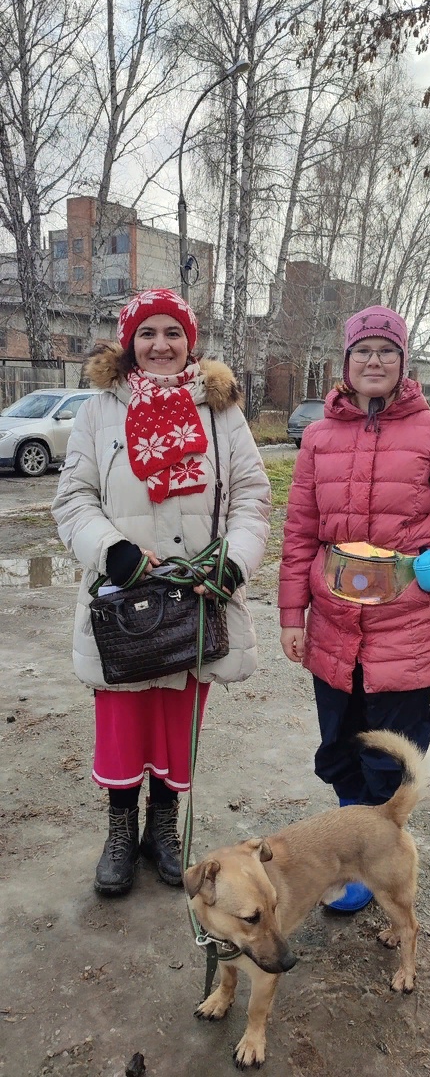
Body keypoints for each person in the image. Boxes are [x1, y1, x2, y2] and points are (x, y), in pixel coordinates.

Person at [52, 289, 270, 897]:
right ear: (129, 343)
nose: (159, 345)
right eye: (146, 333)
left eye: (172, 333)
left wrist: (231, 563)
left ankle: (163, 830)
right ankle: (121, 831)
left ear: (189, 342)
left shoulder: (220, 410)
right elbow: (72, 500)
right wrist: (111, 551)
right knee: (123, 721)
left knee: (178, 724)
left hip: (196, 599)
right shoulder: (99, 411)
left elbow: (253, 498)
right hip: (125, 602)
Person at [278, 305, 430, 911]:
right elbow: (299, 533)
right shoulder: (318, 436)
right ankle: (351, 839)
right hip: (335, 628)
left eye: (386, 351)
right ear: (345, 361)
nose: (374, 360)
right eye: (362, 350)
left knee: (390, 743)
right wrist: (293, 615)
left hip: (409, 628)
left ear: (403, 363)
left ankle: (378, 852)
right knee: (338, 739)